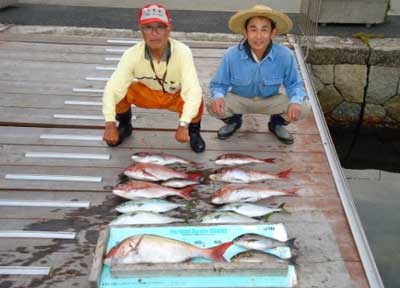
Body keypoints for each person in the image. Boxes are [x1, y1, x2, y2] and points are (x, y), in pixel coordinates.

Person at [102, 4, 205, 153]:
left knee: (197, 97)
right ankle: (124, 125)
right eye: (148, 27)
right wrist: (109, 123)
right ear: (141, 31)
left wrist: (184, 124)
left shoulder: (183, 52)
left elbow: (192, 90)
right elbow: (112, 89)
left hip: (174, 95)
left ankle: (193, 131)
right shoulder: (131, 54)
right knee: (121, 91)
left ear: (169, 29)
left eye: (160, 27)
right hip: (147, 93)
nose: (154, 33)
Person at [208, 5, 309, 144]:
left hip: (270, 100)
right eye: (253, 29)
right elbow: (218, 84)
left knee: (304, 106)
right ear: (245, 32)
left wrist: (295, 102)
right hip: (240, 99)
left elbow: (295, 85)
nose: (259, 36)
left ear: (273, 33)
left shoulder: (286, 55)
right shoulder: (231, 55)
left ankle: (276, 123)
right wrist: (218, 97)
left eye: (264, 30)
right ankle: (234, 121)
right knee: (210, 102)